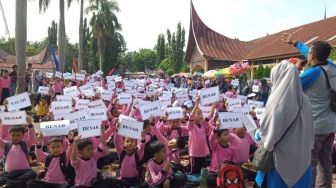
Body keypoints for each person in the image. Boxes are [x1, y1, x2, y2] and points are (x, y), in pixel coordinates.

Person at [283, 33, 336, 188]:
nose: (308, 54)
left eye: (310, 53)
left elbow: (287, 87)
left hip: (315, 127)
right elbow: (310, 51)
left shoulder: (313, 73)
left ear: (312, 56)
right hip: (331, 125)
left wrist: (295, 69)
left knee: (310, 163)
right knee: (325, 162)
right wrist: (295, 43)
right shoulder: (332, 66)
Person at [254, 60, 314, 188]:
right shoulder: (306, 101)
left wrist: (258, 133)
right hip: (302, 161)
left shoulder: (276, 104)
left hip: (279, 166)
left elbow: (267, 137)